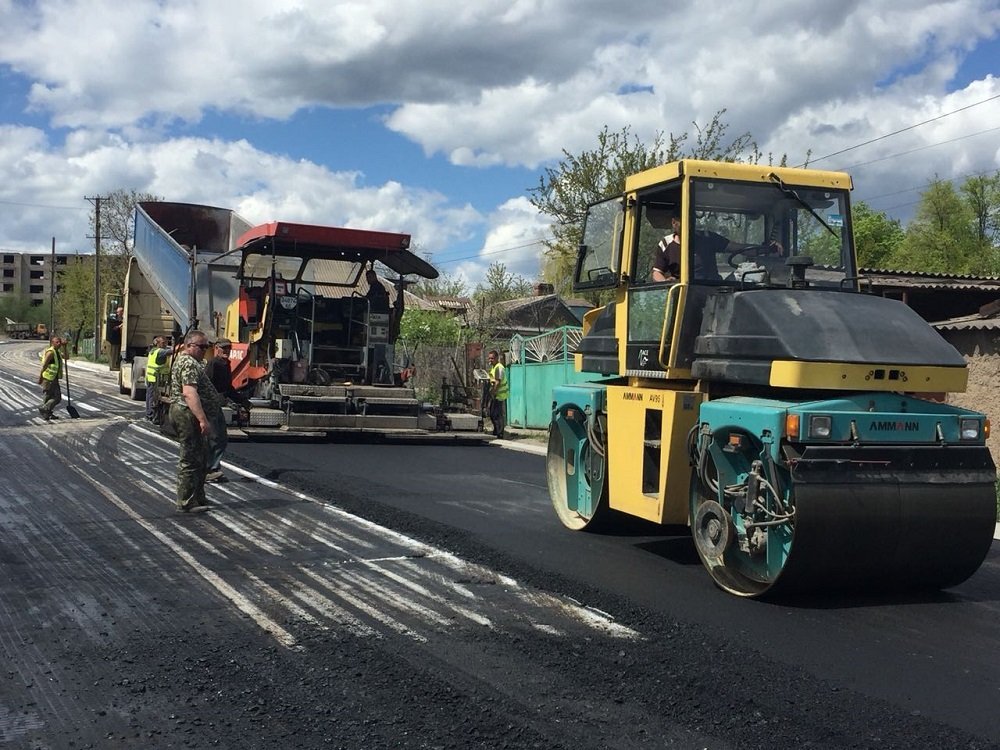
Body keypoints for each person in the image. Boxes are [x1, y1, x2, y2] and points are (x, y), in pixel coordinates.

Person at [169, 330, 225, 513]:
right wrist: (202, 420)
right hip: (187, 414)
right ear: (189, 345)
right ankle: (186, 501)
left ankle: (198, 497)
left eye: (206, 347)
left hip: (189, 413)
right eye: (201, 347)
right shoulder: (188, 363)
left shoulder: (192, 362)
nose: (204, 350)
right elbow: (189, 393)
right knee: (191, 458)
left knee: (201, 457)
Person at [652, 211, 782, 282]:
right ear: (674, 222)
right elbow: (657, 272)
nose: (689, 224)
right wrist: (664, 282)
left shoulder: (707, 238)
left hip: (713, 290)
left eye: (691, 219)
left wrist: (767, 249)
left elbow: (738, 248)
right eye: (685, 220)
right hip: (684, 294)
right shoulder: (665, 244)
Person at [203, 338, 251, 482]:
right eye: (224, 348)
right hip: (209, 405)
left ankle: (213, 468)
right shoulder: (213, 364)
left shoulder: (226, 365)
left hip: (216, 405)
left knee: (221, 438)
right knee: (214, 437)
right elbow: (206, 384)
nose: (227, 351)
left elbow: (228, 388)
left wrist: (242, 401)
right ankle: (208, 470)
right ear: (216, 348)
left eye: (229, 348)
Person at [38, 335, 67, 421]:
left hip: (54, 378)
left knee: (50, 397)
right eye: (57, 342)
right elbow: (44, 365)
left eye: (59, 342)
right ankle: (44, 409)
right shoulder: (50, 353)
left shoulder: (57, 352)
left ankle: (47, 413)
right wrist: (40, 377)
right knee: (54, 397)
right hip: (48, 378)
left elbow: (67, 357)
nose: (59, 343)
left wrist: (65, 347)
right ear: (52, 343)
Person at [145, 336, 169, 421]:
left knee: (150, 396)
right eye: (163, 343)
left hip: (151, 377)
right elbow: (171, 352)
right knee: (153, 397)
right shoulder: (160, 351)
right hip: (155, 378)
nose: (165, 344)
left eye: (166, 342)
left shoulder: (153, 350)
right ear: (157, 343)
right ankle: (151, 414)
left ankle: (149, 413)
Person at [486, 349, 508, 439]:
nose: (490, 360)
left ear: (497, 358)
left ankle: (499, 433)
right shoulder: (494, 367)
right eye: (489, 358)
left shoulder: (498, 368)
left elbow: (498, 382)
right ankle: (496, 431)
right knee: (493, 414)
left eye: (492, 358)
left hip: (499, 395)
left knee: (497, 415)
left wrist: (493, 392)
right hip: (496, 394)